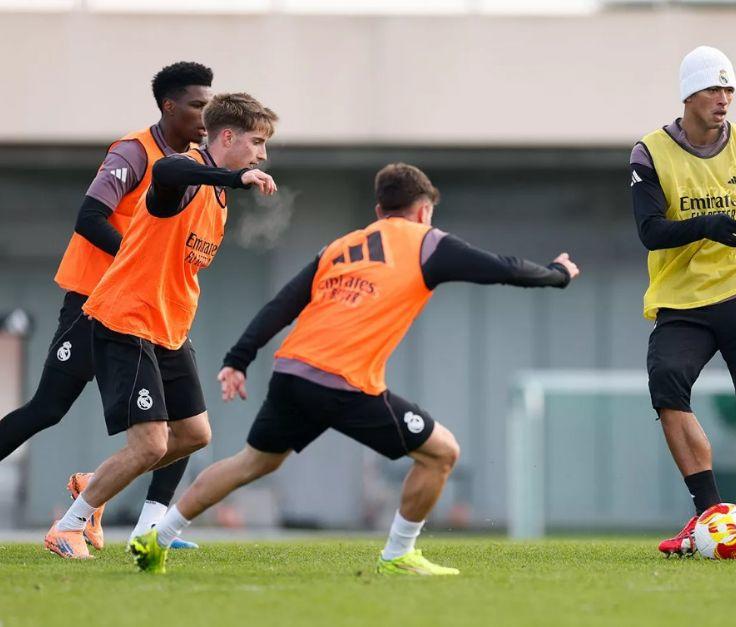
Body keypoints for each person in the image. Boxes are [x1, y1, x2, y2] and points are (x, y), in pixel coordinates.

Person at [128, 162, 579, 575]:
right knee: (442, 453)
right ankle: (399, 553)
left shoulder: (340, 247)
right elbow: (502, 268)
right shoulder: (426, 242)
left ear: (380, 210)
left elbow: (282, 305)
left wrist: (237, 359)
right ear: (423, 211)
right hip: (343, 381)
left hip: (292, 372)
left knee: (252, 462)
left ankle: (158, 537)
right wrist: (556, 273)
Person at [43, 93, 279, 559]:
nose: (263, 154)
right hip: (125, 319)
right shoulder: (184, 171)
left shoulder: (216, 195)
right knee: (149, 444)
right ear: (226, 137)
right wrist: (235, 174)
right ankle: (67, 528)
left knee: (194, 434)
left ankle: (117, 505)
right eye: (257, 142)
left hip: (169, 327)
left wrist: (230, 181)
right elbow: (168, 172)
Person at [0, 61, 213, 552]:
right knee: (47, 408)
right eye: (197, 105)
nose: (205, 116)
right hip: (96, 303)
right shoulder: (134, 151)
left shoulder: (199, 164)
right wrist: (137, 263)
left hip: (151, 309)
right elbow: (90, 216)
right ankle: (83, 510)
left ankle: (148, 528)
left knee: (185, 418)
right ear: (169, 106)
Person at [630, 46, 736, 558]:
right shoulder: (648, 153)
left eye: (729, 89)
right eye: (714, 89)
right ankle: (711, 517)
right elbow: (650, 232)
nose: (724, 99)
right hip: (681, 298)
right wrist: (709, 225)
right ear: (689, 95)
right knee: (666, 384)